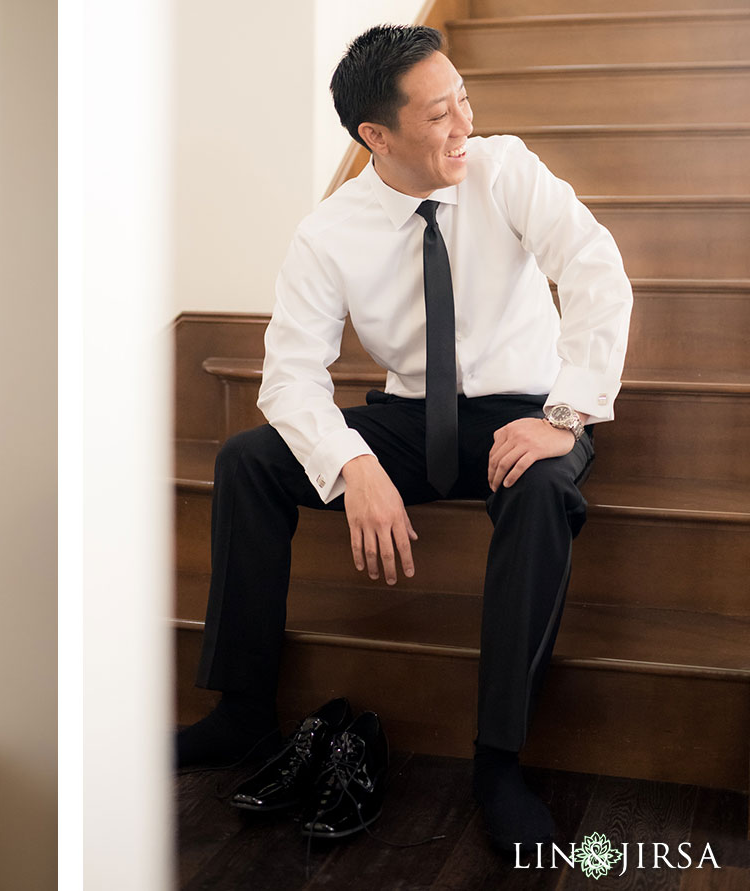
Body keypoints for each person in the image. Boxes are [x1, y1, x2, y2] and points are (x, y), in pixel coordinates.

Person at [173, 24, 632, 851]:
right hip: (412, 417)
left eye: (463, 99)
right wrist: (353, 464)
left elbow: (598, 271)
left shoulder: (506, 170)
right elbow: (288, 375)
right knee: (247, 459)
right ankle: (241, 709)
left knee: (540, 496)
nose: (463, 123)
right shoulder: (330, 231)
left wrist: (564, 414)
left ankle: (498, 759)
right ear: (374, 136)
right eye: (437, 114)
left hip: (528, 407)